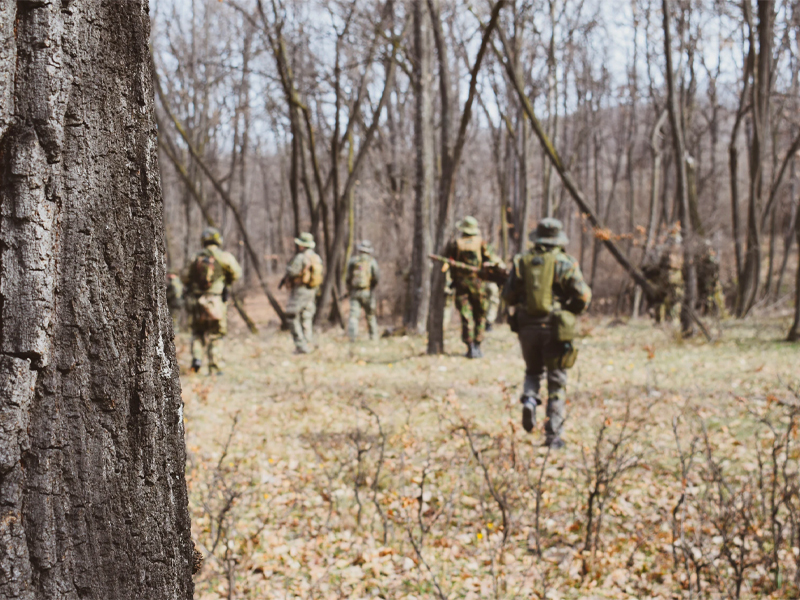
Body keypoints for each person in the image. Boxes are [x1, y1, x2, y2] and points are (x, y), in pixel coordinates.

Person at [503, 218, 592, 449]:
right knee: (556, 380)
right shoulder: (566, 262)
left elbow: (508, 295)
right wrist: (569, 312)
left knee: (533, 371)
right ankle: (553, 435)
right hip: (554, 328)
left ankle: (530, 400)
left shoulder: (522, 261)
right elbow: (583, 296)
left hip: (526, 328)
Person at [182, 227, 242, 374]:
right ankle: (214, 367)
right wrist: (224, 280)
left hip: (197, 301)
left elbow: (184, 277)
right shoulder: (224, 257)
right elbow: (237, 274)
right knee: (216, 334)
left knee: (197, 333)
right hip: (215, 302)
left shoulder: (195, 257)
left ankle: (197, 359)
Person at [443, 216, 499, 358]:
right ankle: (477, 345)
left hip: (461, 285)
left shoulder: (456, 243)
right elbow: (492, 261)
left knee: (466, 316)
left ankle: (470, 347)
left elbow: (447, 262)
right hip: (478, 285)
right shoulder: (481, 243)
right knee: (480, 315)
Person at [283, 232, 323, 354]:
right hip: (312, 290)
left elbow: (292, 272)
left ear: (302, 245)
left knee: (291, 315)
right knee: (306, 316)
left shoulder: (301, 257)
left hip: (301, 289)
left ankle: (301, 345)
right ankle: (308, 343)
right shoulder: (316, 257)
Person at [346, 240, 380, 341]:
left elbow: (348, 278)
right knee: (370, 316)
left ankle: (352, 338)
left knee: (353, 316)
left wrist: (350, 288)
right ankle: (374, 338)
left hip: (355, 292)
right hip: (367, 292)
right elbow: (376, 277)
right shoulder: (372, 261)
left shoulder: (353, 261)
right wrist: (371, 287)